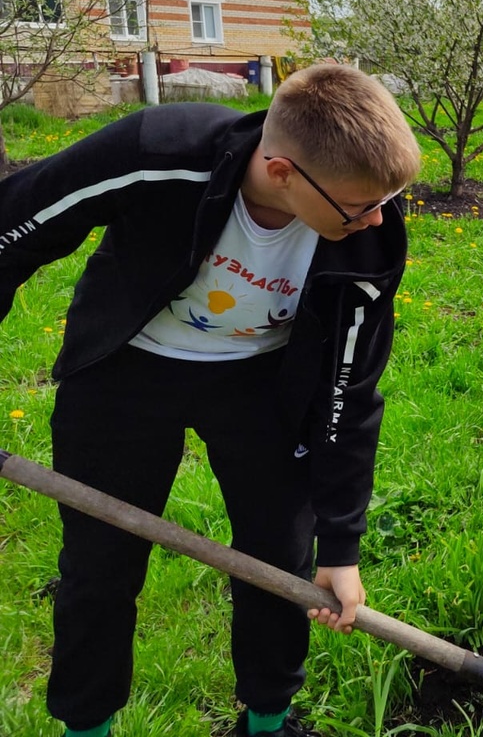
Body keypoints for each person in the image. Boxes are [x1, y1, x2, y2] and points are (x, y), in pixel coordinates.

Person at [0, 65, 422, 737]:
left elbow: (350, 390)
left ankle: (268, 722)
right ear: (281, 171)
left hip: (261, 381)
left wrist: (341, 545)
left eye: (387, 200)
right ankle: (88, 727)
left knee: (281, 560)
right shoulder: (158, 155)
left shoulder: (370, 233)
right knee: (99, 568)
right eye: (356, 207)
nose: (376, 219)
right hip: (124, 369)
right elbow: (14, 227)